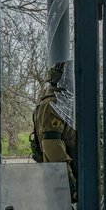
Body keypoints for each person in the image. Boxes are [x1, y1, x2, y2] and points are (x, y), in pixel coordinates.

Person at [33, 61, 78, 202]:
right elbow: (52, 145)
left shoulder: (63, 103)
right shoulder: (53, 104)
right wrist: (69, 182)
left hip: (69, 173)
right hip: (62, 180)